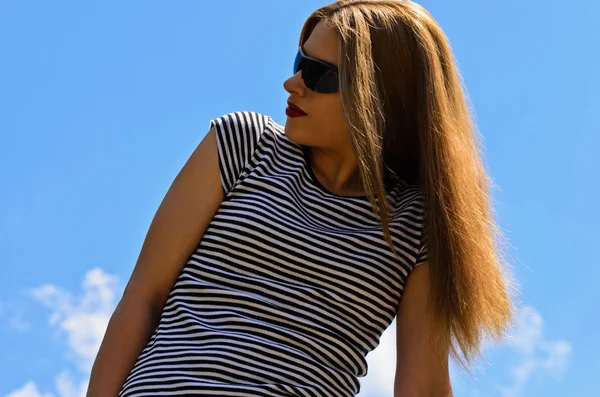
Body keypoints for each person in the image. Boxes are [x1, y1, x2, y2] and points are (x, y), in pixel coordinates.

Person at [86, 1, 517, 396]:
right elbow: (144, 297)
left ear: (381, 99)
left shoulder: (417, 221)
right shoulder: (244, 144)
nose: (292, 83)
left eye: (317, 74)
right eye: (299, 61)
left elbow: (421, 385)